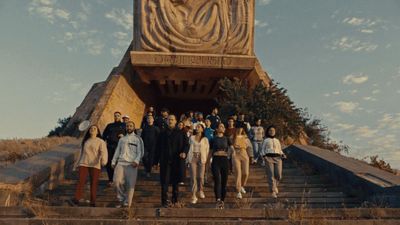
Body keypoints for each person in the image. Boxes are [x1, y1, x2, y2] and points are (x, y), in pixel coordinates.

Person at [70, 125, 107, 207]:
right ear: (89, 131)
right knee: (80, 181)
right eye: (91, 128)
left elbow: (103, 151)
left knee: (94, 183)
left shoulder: (100, 141)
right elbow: (80, 153)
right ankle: (76, 199)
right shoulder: (85, 141)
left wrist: (104, 160)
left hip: (95, 164)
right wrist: (76, 164)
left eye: (95, 129)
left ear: (97, 132)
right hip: (83, 163)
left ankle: (92, 202)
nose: (92, 130)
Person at [157, 115, 189, 207]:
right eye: (168, 119)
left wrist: (184, 152)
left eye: (172, 119)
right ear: (166, 121)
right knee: (164, 182)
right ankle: (164, 201)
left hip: (176, 161)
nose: (170, 121)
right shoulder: (162, 133)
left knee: (175, 182)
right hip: (165, 161)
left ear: (175, 121)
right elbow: (158, 147)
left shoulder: (181, 133)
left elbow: (186, 145)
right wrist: (156, 161)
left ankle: (175, 200)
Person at [111, 121, 144, 208]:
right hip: (121, 163)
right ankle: (121, 199)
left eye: (131, 126)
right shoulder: (122, 139)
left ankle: (127, 203)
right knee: (116, 182)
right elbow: (117, 150)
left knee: (130, 184)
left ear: (134, 127)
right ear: (126, 128)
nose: (129, 127)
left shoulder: (138, 139)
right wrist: (113, 161)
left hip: (131, 164)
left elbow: (140, 152)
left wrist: (136, 161)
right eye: (127, 126)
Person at [209, 123, 232, 209]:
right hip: (215, 159)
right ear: (217, 129)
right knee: (217, 180)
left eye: (223, 126)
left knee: (224, 181)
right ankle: (218, 199)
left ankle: (222, 200)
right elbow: (210, 151)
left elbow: (232, 149)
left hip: (225, 160)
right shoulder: (213, 139)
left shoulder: (227, 139)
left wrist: (229, 156)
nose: (222, 128)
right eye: (220, 126)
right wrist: (208, 162)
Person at [186, 124, 209, 204]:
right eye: (197, 127)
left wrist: (205, 159)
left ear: (202, 129)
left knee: (201, 177)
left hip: (201, 158)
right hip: (193, 158)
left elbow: (207, 150)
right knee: (193, 177)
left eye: (199, 127)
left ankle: (201, 190)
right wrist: (188, 159)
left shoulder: (205, 139)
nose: (197, 128)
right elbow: (189, 148)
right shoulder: (192, 138)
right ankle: (193, 195)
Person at [261, 125, 285, 198]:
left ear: (275, 132)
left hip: (277, 158)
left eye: (273, 130)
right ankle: (273, 191)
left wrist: (283, 154)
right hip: (269, 157)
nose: (272, 132)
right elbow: (262, 150)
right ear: (268, 132)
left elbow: (280, 149)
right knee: (271, 175)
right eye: (270, 130)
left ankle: (275, 186)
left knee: (279, 175)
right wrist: (264, 157)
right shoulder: (266, 140)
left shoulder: (277, 140)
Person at [103, 111, 126, 186]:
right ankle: (111, 179)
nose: (116, 117)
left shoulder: (124, 125)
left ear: (120, 117)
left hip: (120, 146)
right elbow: (104, 135)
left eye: (118, 116)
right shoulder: (109, 125)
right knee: (109, 163)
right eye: (115, 116)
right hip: (110, 146)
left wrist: (124, 136)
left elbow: (130, 135)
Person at [232, 124, 253, 199]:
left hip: (244, 153)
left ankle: (242, 186)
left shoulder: (245, 137)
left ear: (243, 129)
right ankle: (238, 191)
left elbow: (250, 147)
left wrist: (251, 156)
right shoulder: (233, 137)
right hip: (236, 154)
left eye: (241, 128)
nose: (239, 129)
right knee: (238, 172)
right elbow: (230, 146)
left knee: (246, 173)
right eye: (238, 128)